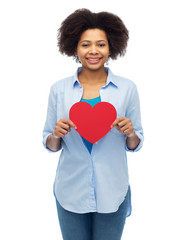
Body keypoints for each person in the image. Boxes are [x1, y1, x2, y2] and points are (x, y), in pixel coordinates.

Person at [42, 8, 144, 240]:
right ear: (75, 48)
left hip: (113, 189)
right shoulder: (59, 89)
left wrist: (130, 133)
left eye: (101, 44)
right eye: (85, 44)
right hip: (70, 189)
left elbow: (136, 143)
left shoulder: (127, 89)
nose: (93, 51)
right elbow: (50, 143)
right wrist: (56, 134)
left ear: (111, 48)